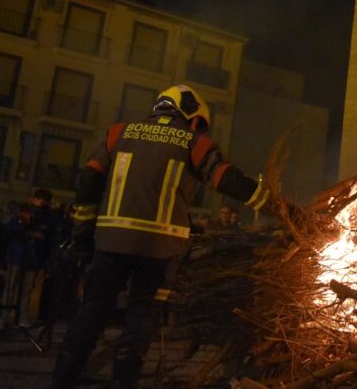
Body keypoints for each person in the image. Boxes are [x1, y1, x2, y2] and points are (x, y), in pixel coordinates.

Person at [53, 84, 278, 389]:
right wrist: (278, 209)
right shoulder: (194, 142)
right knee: (141, 315)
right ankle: (123, 381)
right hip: (160, 248)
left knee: (93, 310)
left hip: (110, 242)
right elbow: (229, 180)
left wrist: (81, 239)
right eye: (196, 121)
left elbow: (88, 183)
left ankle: (62, 380)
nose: (195, 127)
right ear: (189, 112)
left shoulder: (117, 133)